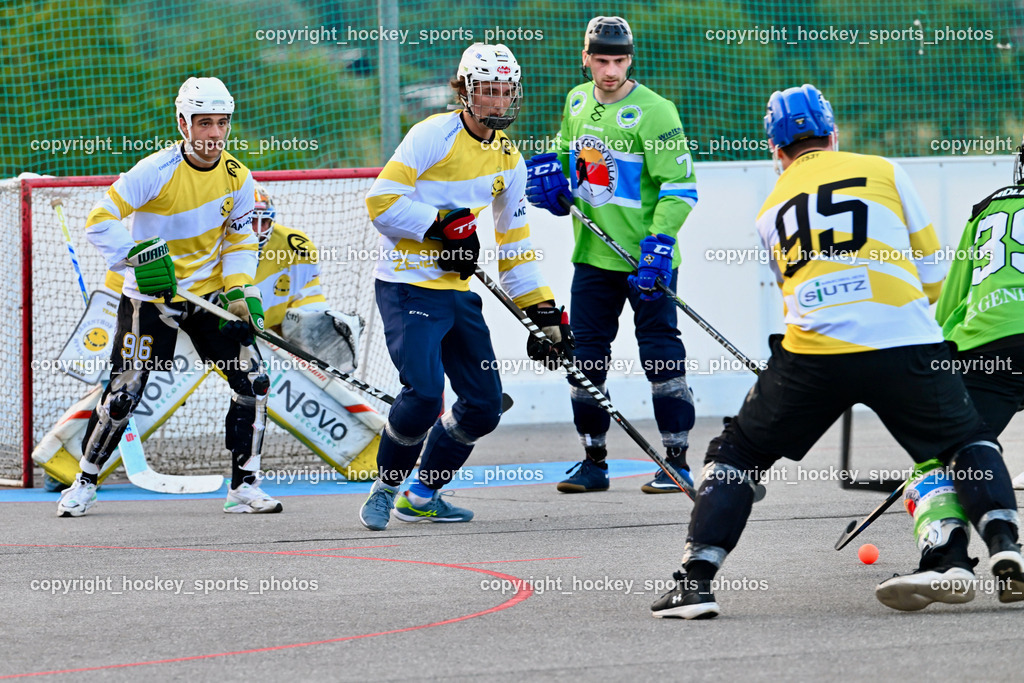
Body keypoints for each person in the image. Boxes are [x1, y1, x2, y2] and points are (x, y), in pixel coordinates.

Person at [650, 84, 1024, 619]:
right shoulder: (885, 171)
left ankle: (695, 583)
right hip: (904, 342)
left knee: (736, 455)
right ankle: (1004, 542)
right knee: (965, 441)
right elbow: (936, 281)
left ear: (776, 151)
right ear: (833, 135)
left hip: (816, 352)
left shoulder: (770, 207)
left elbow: (795, 293)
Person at [361, 42, 571, 531]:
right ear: (465, 91)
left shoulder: (509, 162)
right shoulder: (433, 135)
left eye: (505, 91)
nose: (497, 101)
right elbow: (380, 203)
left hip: (456, 292)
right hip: (407, 286)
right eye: (487, 91)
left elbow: (515, 248)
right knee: (423, 395)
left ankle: (422, 493)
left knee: (483, 404)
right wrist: (441, 227)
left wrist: (542, 313)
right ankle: (386, 488)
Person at [56, 76, 282, 516]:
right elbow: (100, 218)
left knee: (254, 382)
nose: (214, 134)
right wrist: (137, 256)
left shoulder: (238, 176)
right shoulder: (154, 171)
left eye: (222, 123)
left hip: (206, 297)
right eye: (204, 123)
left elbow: (239, 242)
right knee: (124, 394)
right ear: (183, 123)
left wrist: (240, 292)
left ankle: (245, 486)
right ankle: (84, 481)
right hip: (149, 299)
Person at [525, 16, 699, 494]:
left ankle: (677, 463)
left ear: (630, 58)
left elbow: (681, 188)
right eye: (601, 60)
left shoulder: (656, 111)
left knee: (662, 359)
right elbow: (564, 157)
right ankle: (594, 461)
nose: (609, 70)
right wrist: (553, 186)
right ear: (586, 58)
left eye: (619, 60)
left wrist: (659, 244)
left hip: (647, 262)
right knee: (585, 361)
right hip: (593, 258)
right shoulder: (576, 101)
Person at [935, 142, 1024, 491]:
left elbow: (951, 302)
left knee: (964, 446)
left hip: (988, 348)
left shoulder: (985, 210)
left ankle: (949, 508)